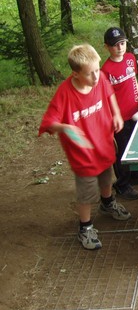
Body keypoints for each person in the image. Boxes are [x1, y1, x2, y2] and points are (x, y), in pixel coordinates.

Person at [39, 44, 132, 250]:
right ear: (75, 74)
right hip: (82, 153)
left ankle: (107, 203)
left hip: (103, 144)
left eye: (97, 70)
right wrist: (65, 127)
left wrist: (116, 114)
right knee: (87, 192)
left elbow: (109, 93)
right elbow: (49, 122)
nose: (96, 76)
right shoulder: (65, 93)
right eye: (90, 73)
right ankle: (85, 227)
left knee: (106, 178)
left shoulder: (100, 79)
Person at [101, 27, 138, 201]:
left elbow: (133, 78)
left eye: (122, 43)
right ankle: (122, 185)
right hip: (120, 119)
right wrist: (114, 117)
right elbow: (106, 97)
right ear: (107, 47)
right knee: (123, 152)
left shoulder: (130, 58)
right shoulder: (105, 70)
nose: (120, 48)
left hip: (134, 112)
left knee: (136, 145)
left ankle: (136, 174)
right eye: (115, 45)